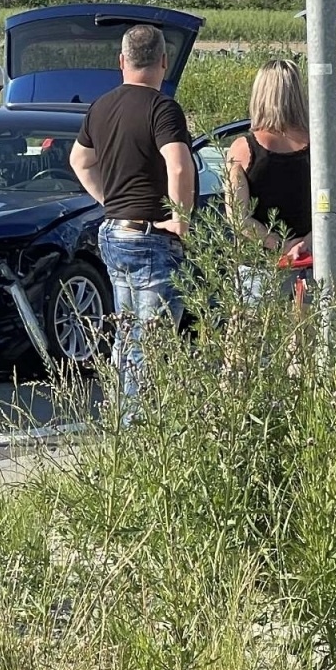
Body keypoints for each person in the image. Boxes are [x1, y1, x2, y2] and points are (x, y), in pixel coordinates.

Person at [69, 25, 196, 410]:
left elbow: (80, 160)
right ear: (163, 62)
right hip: (152, 236)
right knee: (151, 343)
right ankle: (137, 427)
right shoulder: (163, 108)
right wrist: (181, 220)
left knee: (126, 339)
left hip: (114, 231)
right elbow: (179, 165)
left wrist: (111, 199)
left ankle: (123, 423)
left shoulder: (101, 106)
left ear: (122, 61)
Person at [228, 59, 313, 303]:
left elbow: (238, 218)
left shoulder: (243, 149)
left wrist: (281, 246)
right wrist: (303, 244)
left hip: (258, 266)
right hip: (307, 264)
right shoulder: (319, 146)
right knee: (306, 337)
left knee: (258, 339)